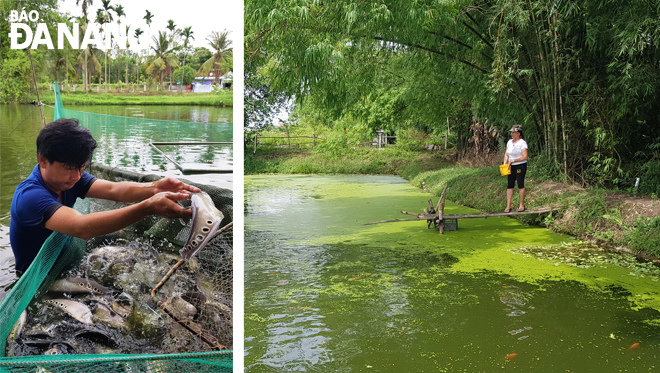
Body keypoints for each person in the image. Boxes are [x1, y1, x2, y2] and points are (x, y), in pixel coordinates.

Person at [10, 118, 201, 276]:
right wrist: (148, 207)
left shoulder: (69, 178)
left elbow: (112, 189)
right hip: (38, 276)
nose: (77, 176)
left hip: (64, 253)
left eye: (82, 167)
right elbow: (81, 227)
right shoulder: (30, 197)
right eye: (69, 168)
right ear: (43, 160)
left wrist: (154, 187)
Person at [503, 124, 528, 213]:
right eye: (511, 132)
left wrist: (513, 161)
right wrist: (505, 164)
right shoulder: (509, 142)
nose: (512, 134)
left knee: (520, 184)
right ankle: (508, 205)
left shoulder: (522, 143)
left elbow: (525, 156)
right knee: (510, 185)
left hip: (520, 165)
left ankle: (522, 204)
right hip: (510, 166)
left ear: (518, 133)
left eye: (514, 132)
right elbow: (506, 154)